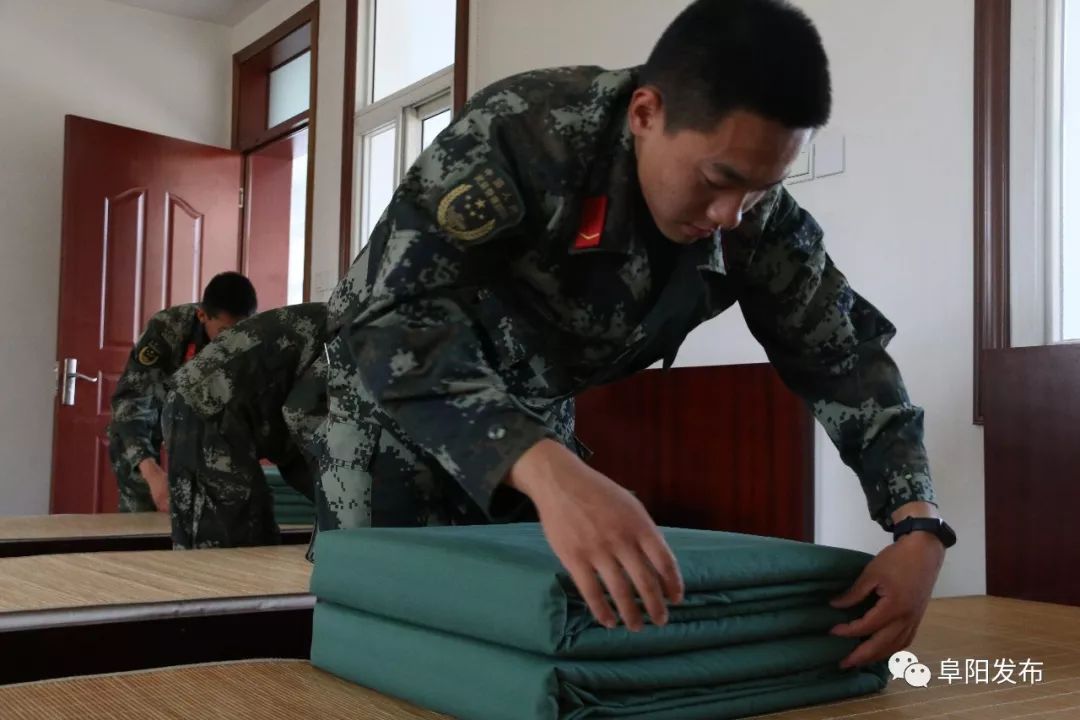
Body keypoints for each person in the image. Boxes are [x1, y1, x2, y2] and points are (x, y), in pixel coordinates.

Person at [328, 0, 954, 670]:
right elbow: (385, 320)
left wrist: (917, 525)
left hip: (539, 429)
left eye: (758, 189)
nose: (728, 214)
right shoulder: (525, 133)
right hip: (400, 415)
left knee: (533, 648)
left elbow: (843, 354)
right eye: (718, 180)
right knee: (383, 644)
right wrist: (548, 470)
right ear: (646, 114)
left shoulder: (751, 216)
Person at [161, 303, 326, 549]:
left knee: (249, 531)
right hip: (208, 406)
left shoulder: (352, 319)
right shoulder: (357, 334)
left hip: (213, 407)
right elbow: (302, 417)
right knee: (231, 541)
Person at [108, 272, 257, 513]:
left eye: (238, 333)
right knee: (144, 497)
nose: (230, 343)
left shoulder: (257, 334)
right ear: (202, 315)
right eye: (222, 332)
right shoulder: (168, 328)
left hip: (206, 420)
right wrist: (151, 472)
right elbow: (130, 403)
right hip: (153, 411)